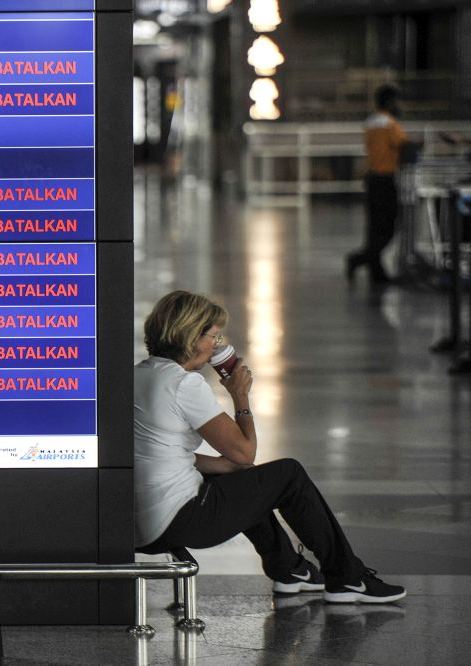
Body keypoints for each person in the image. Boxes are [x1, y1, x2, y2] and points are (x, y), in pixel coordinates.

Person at [133, 290, 406, 603]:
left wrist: (220, 466)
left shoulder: (137, 376)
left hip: (139, 524)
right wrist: (239, 396)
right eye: (214, 336)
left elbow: (152, 450)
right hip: (179, 521)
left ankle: (290, 570)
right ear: (192, 336)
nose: (217, 346)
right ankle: (347, 577)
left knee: (244, 480)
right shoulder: (184, 384)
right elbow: (245, 452)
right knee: (288, 474)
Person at [346, 84, 409, 285]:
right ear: (390, 102)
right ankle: (358, 259)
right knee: (388, 228)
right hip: (384, 179)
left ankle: (377, 273)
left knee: (374, 228)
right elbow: (404, 145)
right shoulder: (389, 123)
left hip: (372, 178)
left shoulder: (371, 122)